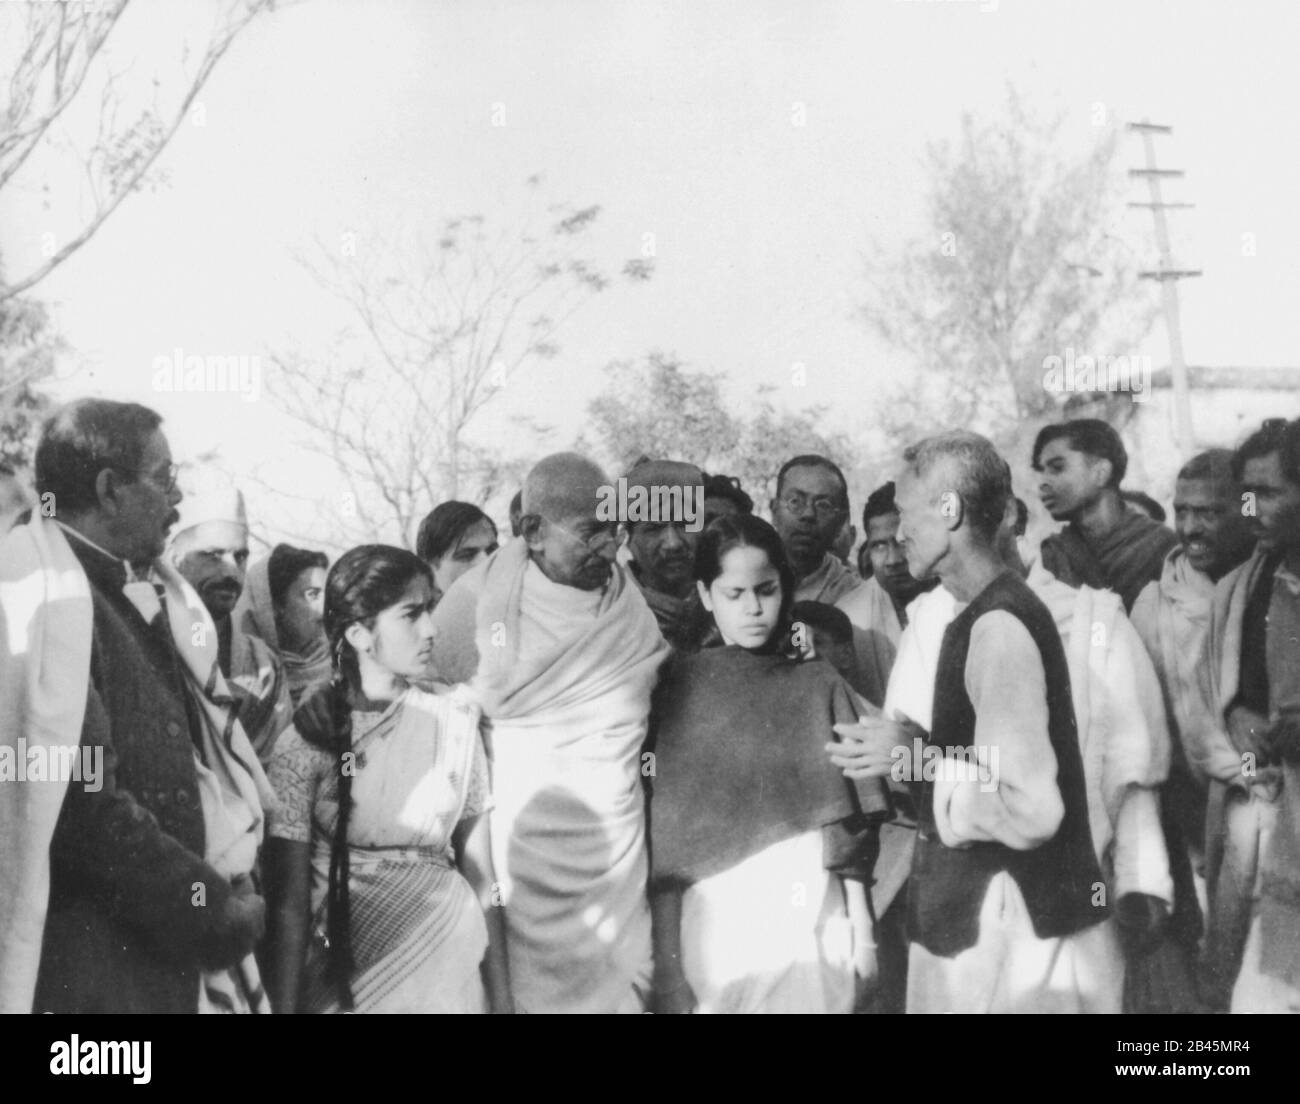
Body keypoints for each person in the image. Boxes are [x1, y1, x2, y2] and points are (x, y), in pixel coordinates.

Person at [0, 398, 273, 1013]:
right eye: (165, 480)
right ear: (109, 489)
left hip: (146, 966)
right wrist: (209, 906)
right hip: (93, 975)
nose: (177, 501)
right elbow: (82, 801)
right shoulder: (50, 603)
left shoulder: (108, 590)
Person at [831, 431, 1106, 1013]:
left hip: (1014, 954)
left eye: (906, 513)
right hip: (992, 939)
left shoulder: (998, 627)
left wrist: (914, 756)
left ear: (950, 511)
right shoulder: (977, 612)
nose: (899, 532)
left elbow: (1032, 807)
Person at [881, 492, 1175, 1013]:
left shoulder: (1092, 617)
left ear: (1012, 517)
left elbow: (1133, 770)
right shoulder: (928, 622)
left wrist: (1141, 882)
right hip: (961, 909)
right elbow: (907, 762)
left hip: (1067, 905)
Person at [429, 452, 670, 1013]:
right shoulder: (476, 602)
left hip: (616, 862)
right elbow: (413, 693)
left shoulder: (626, 603)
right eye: (591, 532)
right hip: (522, 864)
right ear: (533, 532)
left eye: (614, 529)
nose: (610, 547)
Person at [647, 517, 887, 1014]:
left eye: (766, 590)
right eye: (733, 593)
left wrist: (863, 934)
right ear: (706, 594)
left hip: (812, 919)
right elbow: (668, 853)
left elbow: (851, 834)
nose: (753, 608)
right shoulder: (678, 689)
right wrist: (668, 967)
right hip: (717, 929)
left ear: (786, 587)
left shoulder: (819, 683)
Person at [262, 545, 511, 1013]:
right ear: (359, 633)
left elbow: (483, 874)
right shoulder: (307, 740)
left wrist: (502, 1001)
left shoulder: (453, 719)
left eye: (431, 610)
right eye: (411, 615)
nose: (431, 629)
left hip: (449, 978)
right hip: (349, 982)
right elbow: (289, 905)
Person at [1130, 449, 1257, 1008]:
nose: (1189, 527)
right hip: (1188, 822)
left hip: (1267, 811)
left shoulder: (1268, 593)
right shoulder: (1155, 602)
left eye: (1208, 512)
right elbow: (1143, 728)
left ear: (1244, 508)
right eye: (1181, 510)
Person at [1200, 418, 1300, 1012]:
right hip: (1264, 814)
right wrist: (1236, 712)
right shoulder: (1247, 584)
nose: (1250, 508)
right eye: (1245, 493)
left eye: (1267, 492)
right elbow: (1232, 688)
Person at [169, 483, 293, 764]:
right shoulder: (145, 642)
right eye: (213, 555)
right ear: (177, 561)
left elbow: (278, 759)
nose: (230, 570)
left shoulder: (262, 664)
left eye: (240, 556)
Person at [771, 454, 893, 703]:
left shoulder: (859, 600)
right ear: (774, 510)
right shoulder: (742, 584)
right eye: (795, 501)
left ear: (841, 521)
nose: (808, 515)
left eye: (823, 505)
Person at [1034, 419, 1178, 612]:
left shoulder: (1162, 547)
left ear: (1101, 472)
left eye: (1057, 467)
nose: (1042, 482)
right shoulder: (1052, 555)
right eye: (1041, 471)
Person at [624, 459, 706, 651]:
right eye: (654, 528)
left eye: (685, 524)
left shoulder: (731, 604)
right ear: (628, 538)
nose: (673, 543)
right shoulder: (612, 613)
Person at [235, 543, 331, 706]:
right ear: (274, 605)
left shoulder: (345, 666)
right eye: (312, 594)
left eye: (327, 593)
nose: (326, 607)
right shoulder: (244, 679)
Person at [858, 480, 936, 648]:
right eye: (879, 546)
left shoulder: (960, 604)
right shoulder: (853, 616)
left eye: (903, 542)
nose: (893, 560)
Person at [415, 501, 499, 605]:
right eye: (467, 555)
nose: (486, 560)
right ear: (430, 569)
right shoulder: (424, 620)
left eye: (492, 550)